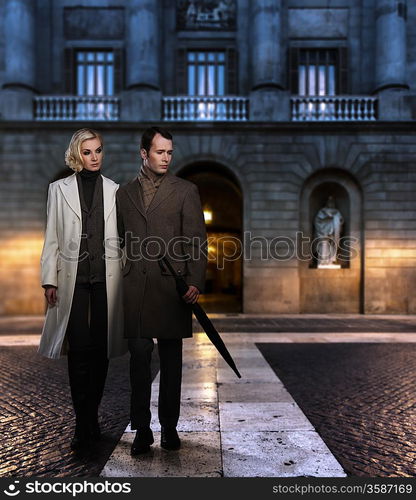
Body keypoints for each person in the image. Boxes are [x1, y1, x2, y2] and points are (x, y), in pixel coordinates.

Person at [116, 126, 207, 454]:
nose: (166, 157)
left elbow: (196, 240)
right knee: (138, 359)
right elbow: (118, 241)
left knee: (171, 362)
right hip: (136, 288)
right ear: (144, 153)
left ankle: (169, 427)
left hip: (173, 288)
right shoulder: (123, 194)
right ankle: (141, 429)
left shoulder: (185, 190)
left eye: (169, 152)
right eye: (160, 152)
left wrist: (195, 280)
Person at [39, 128, 126, 451]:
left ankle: (91, 417)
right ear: (77, 154)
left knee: (101, 351)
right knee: (78, 353)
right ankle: (82, 421)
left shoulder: (115, 190)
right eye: (87, 152)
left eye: (98, 151)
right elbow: (51, 238)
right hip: (72, 281)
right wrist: (49, 279)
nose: (94, 157)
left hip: (106, 280)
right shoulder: (58, 190)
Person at [313, 195, 344, 267]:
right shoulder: (322, 211)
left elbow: (341, 221)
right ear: (327, 203)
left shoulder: (337, 212)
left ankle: (330, 261)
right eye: (329, 202)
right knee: (324, 245)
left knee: (332, 246)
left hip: (333, 233)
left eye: (332, 202)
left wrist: (339, 222)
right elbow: (317, 221)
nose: (331, 203)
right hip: (324, 233)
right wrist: (323, 229)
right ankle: (323, 261)